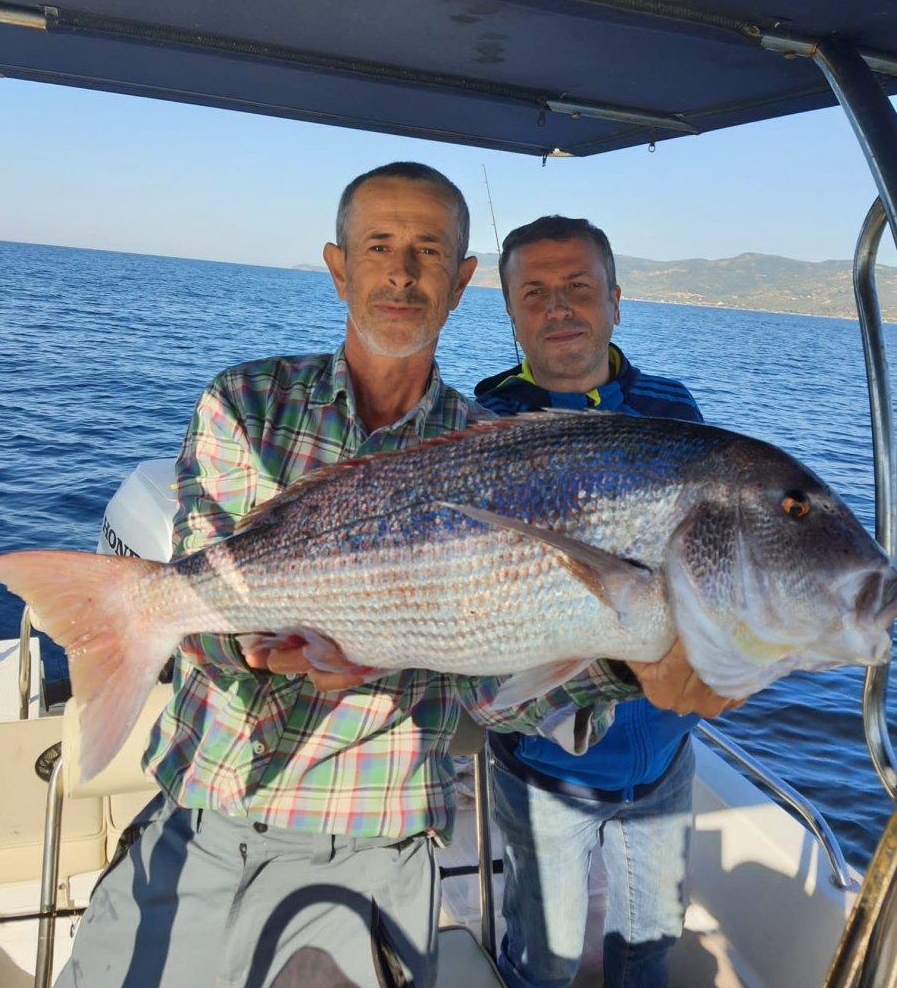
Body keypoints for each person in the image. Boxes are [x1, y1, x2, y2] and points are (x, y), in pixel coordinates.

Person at [55, 167, 655, 988]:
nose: (402, 271)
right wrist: (260, 649)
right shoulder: (245, 401)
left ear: (461, 282)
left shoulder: (496, 451)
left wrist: (624, 667)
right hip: (196, 812)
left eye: (428, 250)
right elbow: (213, 614)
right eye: (379, 247)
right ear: (340, 268)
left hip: (367, 838)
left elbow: (494, 683)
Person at [475, 215, 735, 988]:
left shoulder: (671, 409)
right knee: (542, 960)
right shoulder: (484, 425)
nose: (559, 307)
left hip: (666, 752)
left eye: (579, 287)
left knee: (652, 945)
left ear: (615, 300)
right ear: (513, 313)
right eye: (536, 293)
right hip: (545, 762)